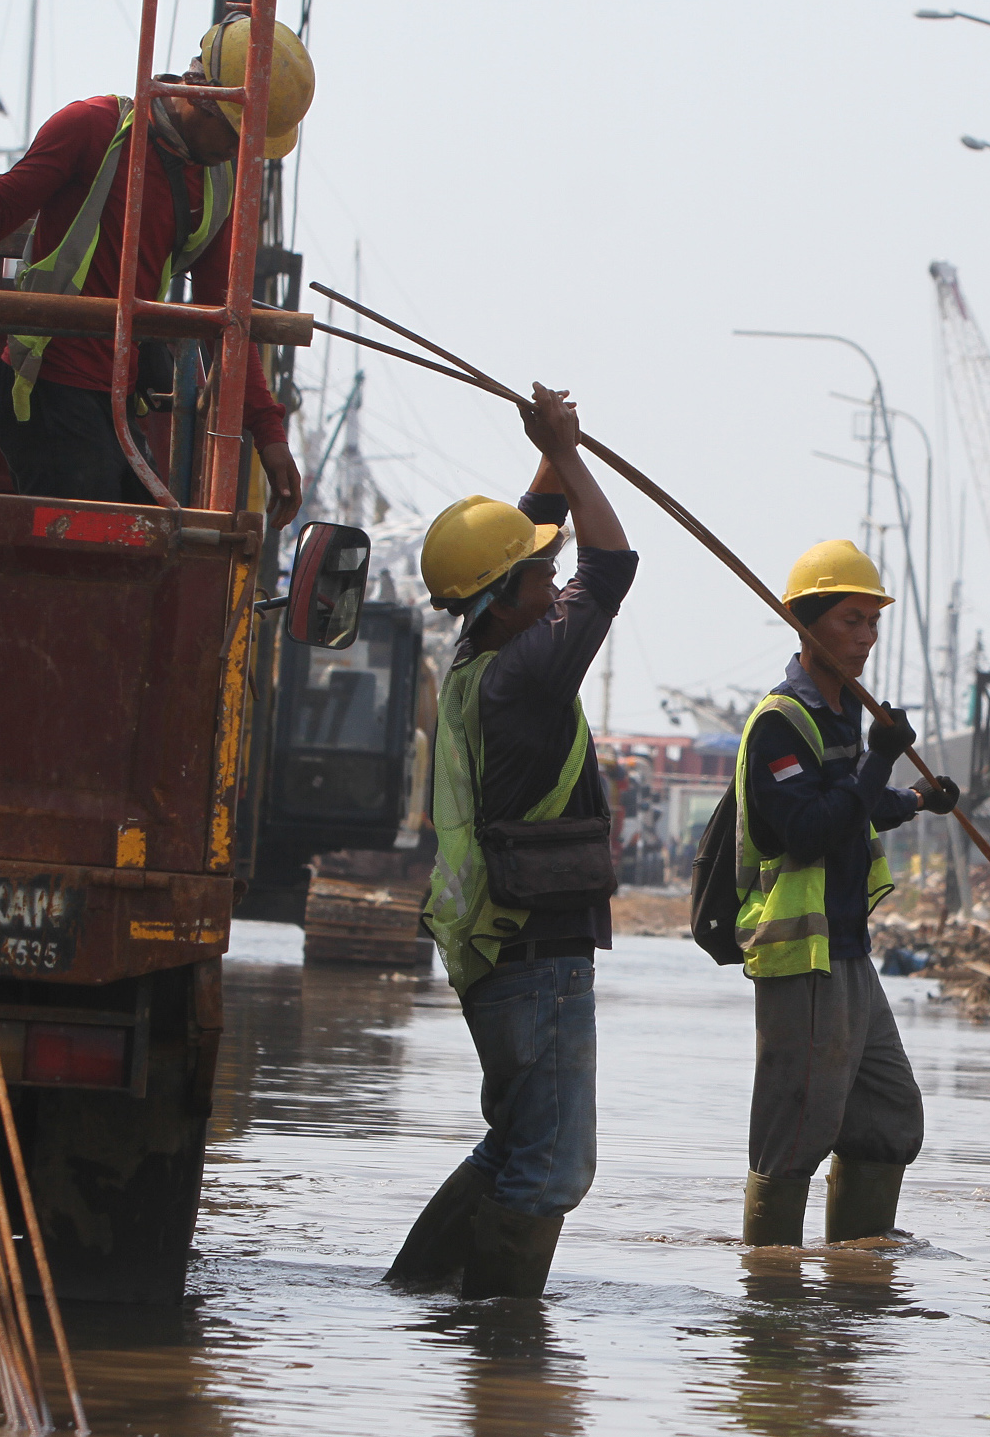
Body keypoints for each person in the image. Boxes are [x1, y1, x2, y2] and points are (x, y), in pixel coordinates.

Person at [384, 384, 634, 1299]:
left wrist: (548, 449)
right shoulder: (527, 674)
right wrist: (568, 452)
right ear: (505, 599)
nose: (554, 585)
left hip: (500, 946)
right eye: (541, 577)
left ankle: (419, 1297)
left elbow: (536, 527)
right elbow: (611, 564)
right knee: (553, 1163)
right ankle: (499, 1343)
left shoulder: (476, 656)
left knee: (516, 1141)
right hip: (535, 952)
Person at [0, 15, 312, 527]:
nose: (238, 150)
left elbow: (224, 319)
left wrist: (269, 435)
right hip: (47, 390)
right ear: (203, 96)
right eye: (235, 132)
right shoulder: (92, 129)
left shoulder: (216, 183)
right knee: (94, 553)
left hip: (118, 401)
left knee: (151, 552)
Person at [731, 541, 960, 1246]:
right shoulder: (779, 722)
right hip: (801, 955)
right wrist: (882, 759)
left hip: (848, 947)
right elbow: (809, 830)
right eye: (850, 621)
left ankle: (856, 1278)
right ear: (805, 624)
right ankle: (771, 1286)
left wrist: (914, 799)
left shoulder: (842, 714)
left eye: (872, 622)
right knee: (795, 1131)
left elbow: (853, 803)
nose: (865, 637)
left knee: (888, 1114)